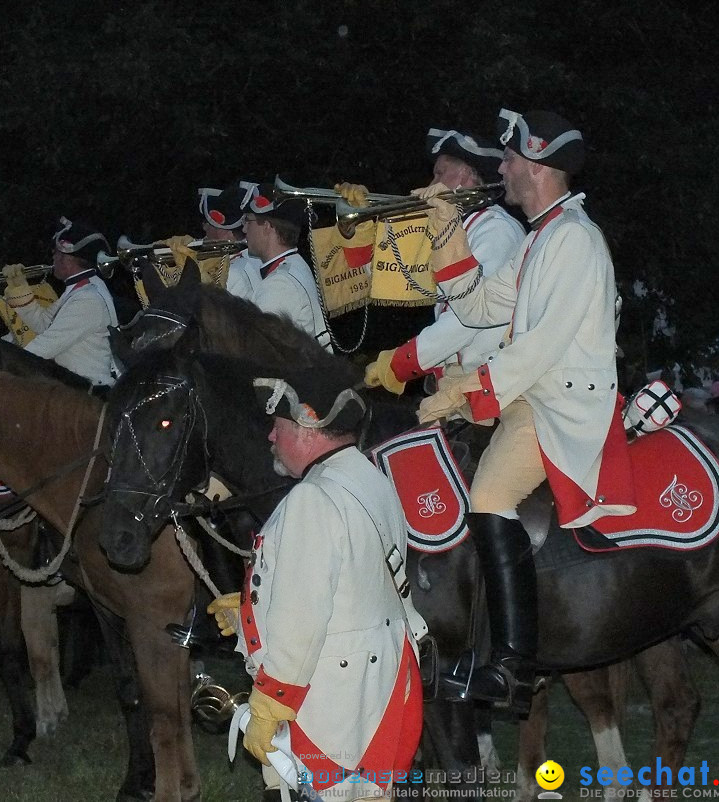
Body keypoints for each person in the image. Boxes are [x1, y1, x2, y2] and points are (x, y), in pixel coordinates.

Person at [369, 109, 636, 712]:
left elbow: (542, 345)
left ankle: (514, 664)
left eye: (511, 160)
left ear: (539, 166)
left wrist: (471, 386)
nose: (504, 169)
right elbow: (482, 304)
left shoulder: (573, 238)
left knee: (487, 495)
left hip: (560, 399)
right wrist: (447, 234)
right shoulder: (543, 233)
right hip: (532, 391)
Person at [209, 364, 424, 800]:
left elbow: (303, 620)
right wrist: (255, 607)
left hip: (330, 702)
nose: (271, 437)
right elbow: (356, 587)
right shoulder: (369, 477)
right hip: (380, 688)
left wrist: (269, 705)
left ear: (307, 428)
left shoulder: (312, 498)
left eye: (278, 425)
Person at [362, 127, 526, 391]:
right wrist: (362, 227)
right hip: (459, 382)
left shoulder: (496, 229)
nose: (430, 184)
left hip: (489, 386)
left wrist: (401, 363)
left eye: (439, 173)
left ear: (466, 175)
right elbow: (384, 276)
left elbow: (468, 319)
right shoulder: (450, 229)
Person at [2, 217, 119, 386]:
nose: (53, 259)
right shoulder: (80, 289)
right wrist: (20, 291)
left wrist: (2, 367)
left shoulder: (87, 298)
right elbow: (44, 325)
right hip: (77, 387)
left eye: (55, 254)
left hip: (88, 391)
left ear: (68, 258)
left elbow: (44, 347)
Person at [241, 184, 333, 351]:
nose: (244, 228)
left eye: (248, 220)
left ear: (267, 227)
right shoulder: (293, 265)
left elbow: (252, 350)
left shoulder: (280, 284)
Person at [198, 182, 263, 300]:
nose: (205, 228)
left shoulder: (231, 272)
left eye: (208, 223)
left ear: (221, 229)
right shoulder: (257, 259)